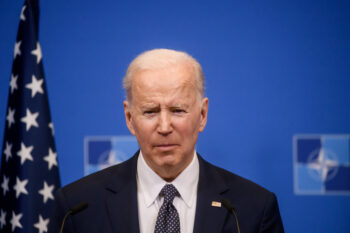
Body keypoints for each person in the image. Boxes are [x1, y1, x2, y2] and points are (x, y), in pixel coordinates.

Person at [48, 49, 284, 233]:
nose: (164, 127)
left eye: (178, 110)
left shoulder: (252, 208)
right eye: (150, 111)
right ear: (130, 119)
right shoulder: (77, 207)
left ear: (202, 115)